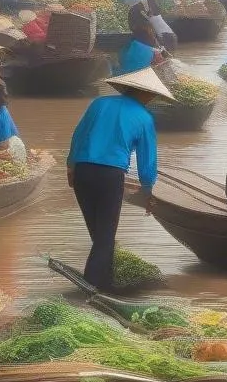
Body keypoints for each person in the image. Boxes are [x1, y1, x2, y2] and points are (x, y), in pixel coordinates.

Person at [67, 68, 174, 291]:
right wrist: (147, 191)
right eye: (152, 95)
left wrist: (71, 167)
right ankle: (92, 288)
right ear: (145, 93)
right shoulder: (144, 118)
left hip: (83, 171)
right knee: (105, 237)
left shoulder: (99, 103)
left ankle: (104, 280)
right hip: (110, 175)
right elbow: (147, 160)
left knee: (98, 233)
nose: (152, 99)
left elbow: (78, 135)